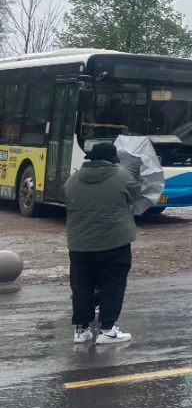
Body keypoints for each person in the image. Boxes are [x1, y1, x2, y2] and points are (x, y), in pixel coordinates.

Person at [65, 143, 141, 344]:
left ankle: (81, 329)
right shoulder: (123, 177)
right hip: (114, 242)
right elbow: (136, 195)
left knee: (81, 286)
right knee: (112, 284)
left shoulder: (72, 180)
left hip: (79, 244)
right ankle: (107, 329)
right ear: (112, 159)